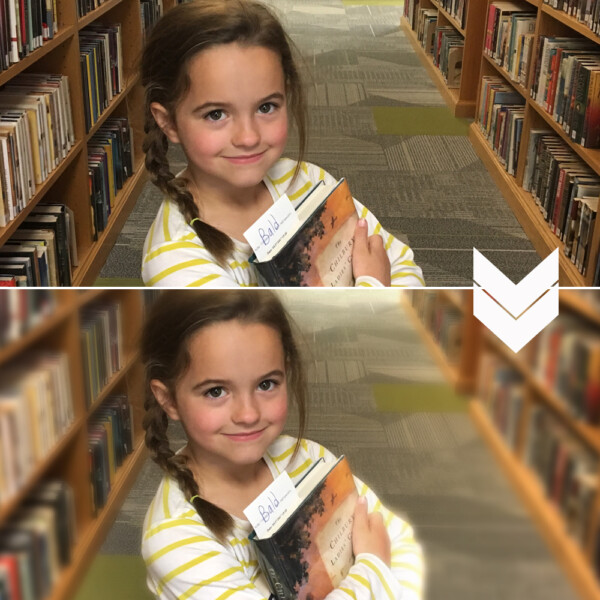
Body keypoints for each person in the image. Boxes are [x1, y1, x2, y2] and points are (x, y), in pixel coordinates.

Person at [141, 290, 424, 599]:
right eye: (216, 391)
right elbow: (380, 552)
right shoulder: (174, 539)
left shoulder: (305, 458)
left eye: (266, 384)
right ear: (168, 399)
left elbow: (397, 539)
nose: (248, 414)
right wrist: (372, 567)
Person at [140, 0, 425, 288]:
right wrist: (374, 287)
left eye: (266, 107)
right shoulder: (175, 261)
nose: (249, 137)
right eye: (216, 114)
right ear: (169, 123)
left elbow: (400, 263)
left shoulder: (306, 181)